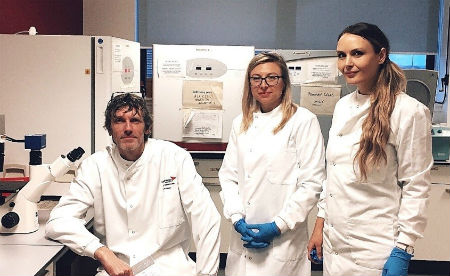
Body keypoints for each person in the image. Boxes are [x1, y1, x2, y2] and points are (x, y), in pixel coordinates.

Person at [46, 93, 221, 276]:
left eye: (135, 120)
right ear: (110, 129)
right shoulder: (95, 166)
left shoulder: (174, 157)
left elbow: (206, 219)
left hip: (170, 267)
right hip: (117, 269)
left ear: (147, 128)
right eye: (119, 121)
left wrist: (207, 274)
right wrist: (101, 252)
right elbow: (58, 221)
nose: (127, 128)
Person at [307, 22, 433, 276]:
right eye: (341, 55)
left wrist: (403, 248)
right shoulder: (343, 106)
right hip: (335, 243)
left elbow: (415, 185)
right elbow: (333, 176)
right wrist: (320, 225)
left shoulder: (408, 112)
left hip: (375, 248)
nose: (347, 63)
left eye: (357, 53)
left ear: (381, 56)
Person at [219, 52, 326, 276]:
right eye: (256, 78)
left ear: (284, 82)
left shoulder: (303, 121)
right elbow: (228, 176)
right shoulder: (241, 122)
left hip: (283, 242)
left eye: (271, 78)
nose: (263, 85)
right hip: (243, 240)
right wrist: (237, 219)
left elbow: (312, 183)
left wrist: (278, 225)